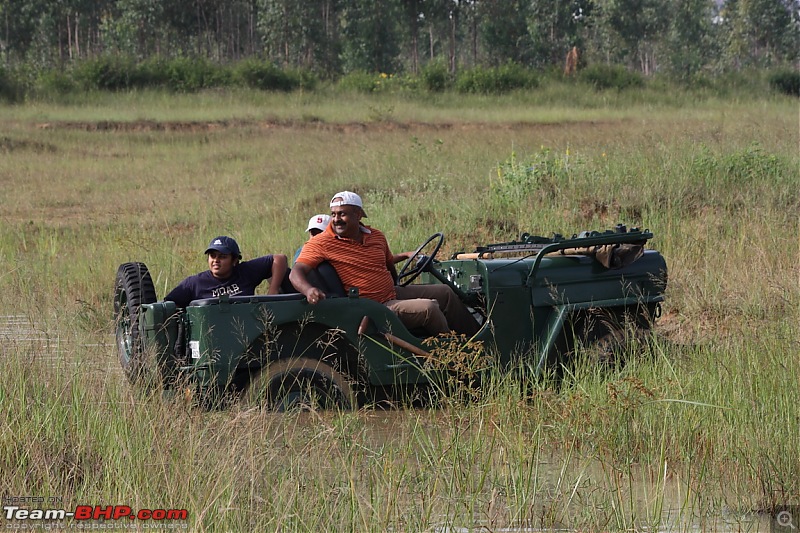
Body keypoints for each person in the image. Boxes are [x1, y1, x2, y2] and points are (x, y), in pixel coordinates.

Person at [290, 191, 480, 337]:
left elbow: (388, 264)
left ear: (358, 214)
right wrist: (308, 290)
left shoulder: (376, 237)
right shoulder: (321, 242)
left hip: (391, 293)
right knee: (429, 308)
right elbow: (296, 272)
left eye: (342, 214)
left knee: (445, 292)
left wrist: (403, 266)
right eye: (334, 214)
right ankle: (452, 355)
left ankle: (479, 340)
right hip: (372, 306)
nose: (337, 219)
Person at [165, 236, 291, 308]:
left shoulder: (245, 272)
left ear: (234, 260)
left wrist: (273, 291)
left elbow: (279, 259)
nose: (216, 260)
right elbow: (168, 306)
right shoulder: (194, 283)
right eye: (212, 256)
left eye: (222, 257)